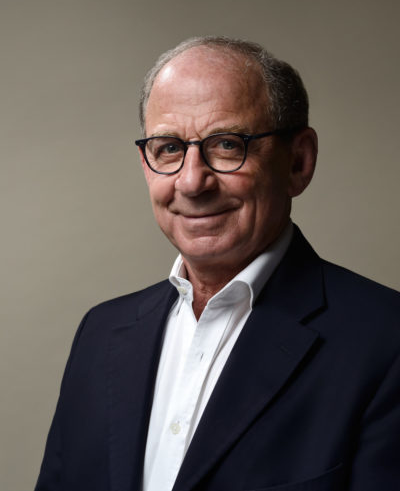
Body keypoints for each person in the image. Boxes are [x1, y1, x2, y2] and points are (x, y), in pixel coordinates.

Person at [35, 36, 400, 491]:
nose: (191, 181)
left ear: (298, 163)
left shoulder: (386, 342)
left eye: (228, 144)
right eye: (168, 148)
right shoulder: (100, 334)